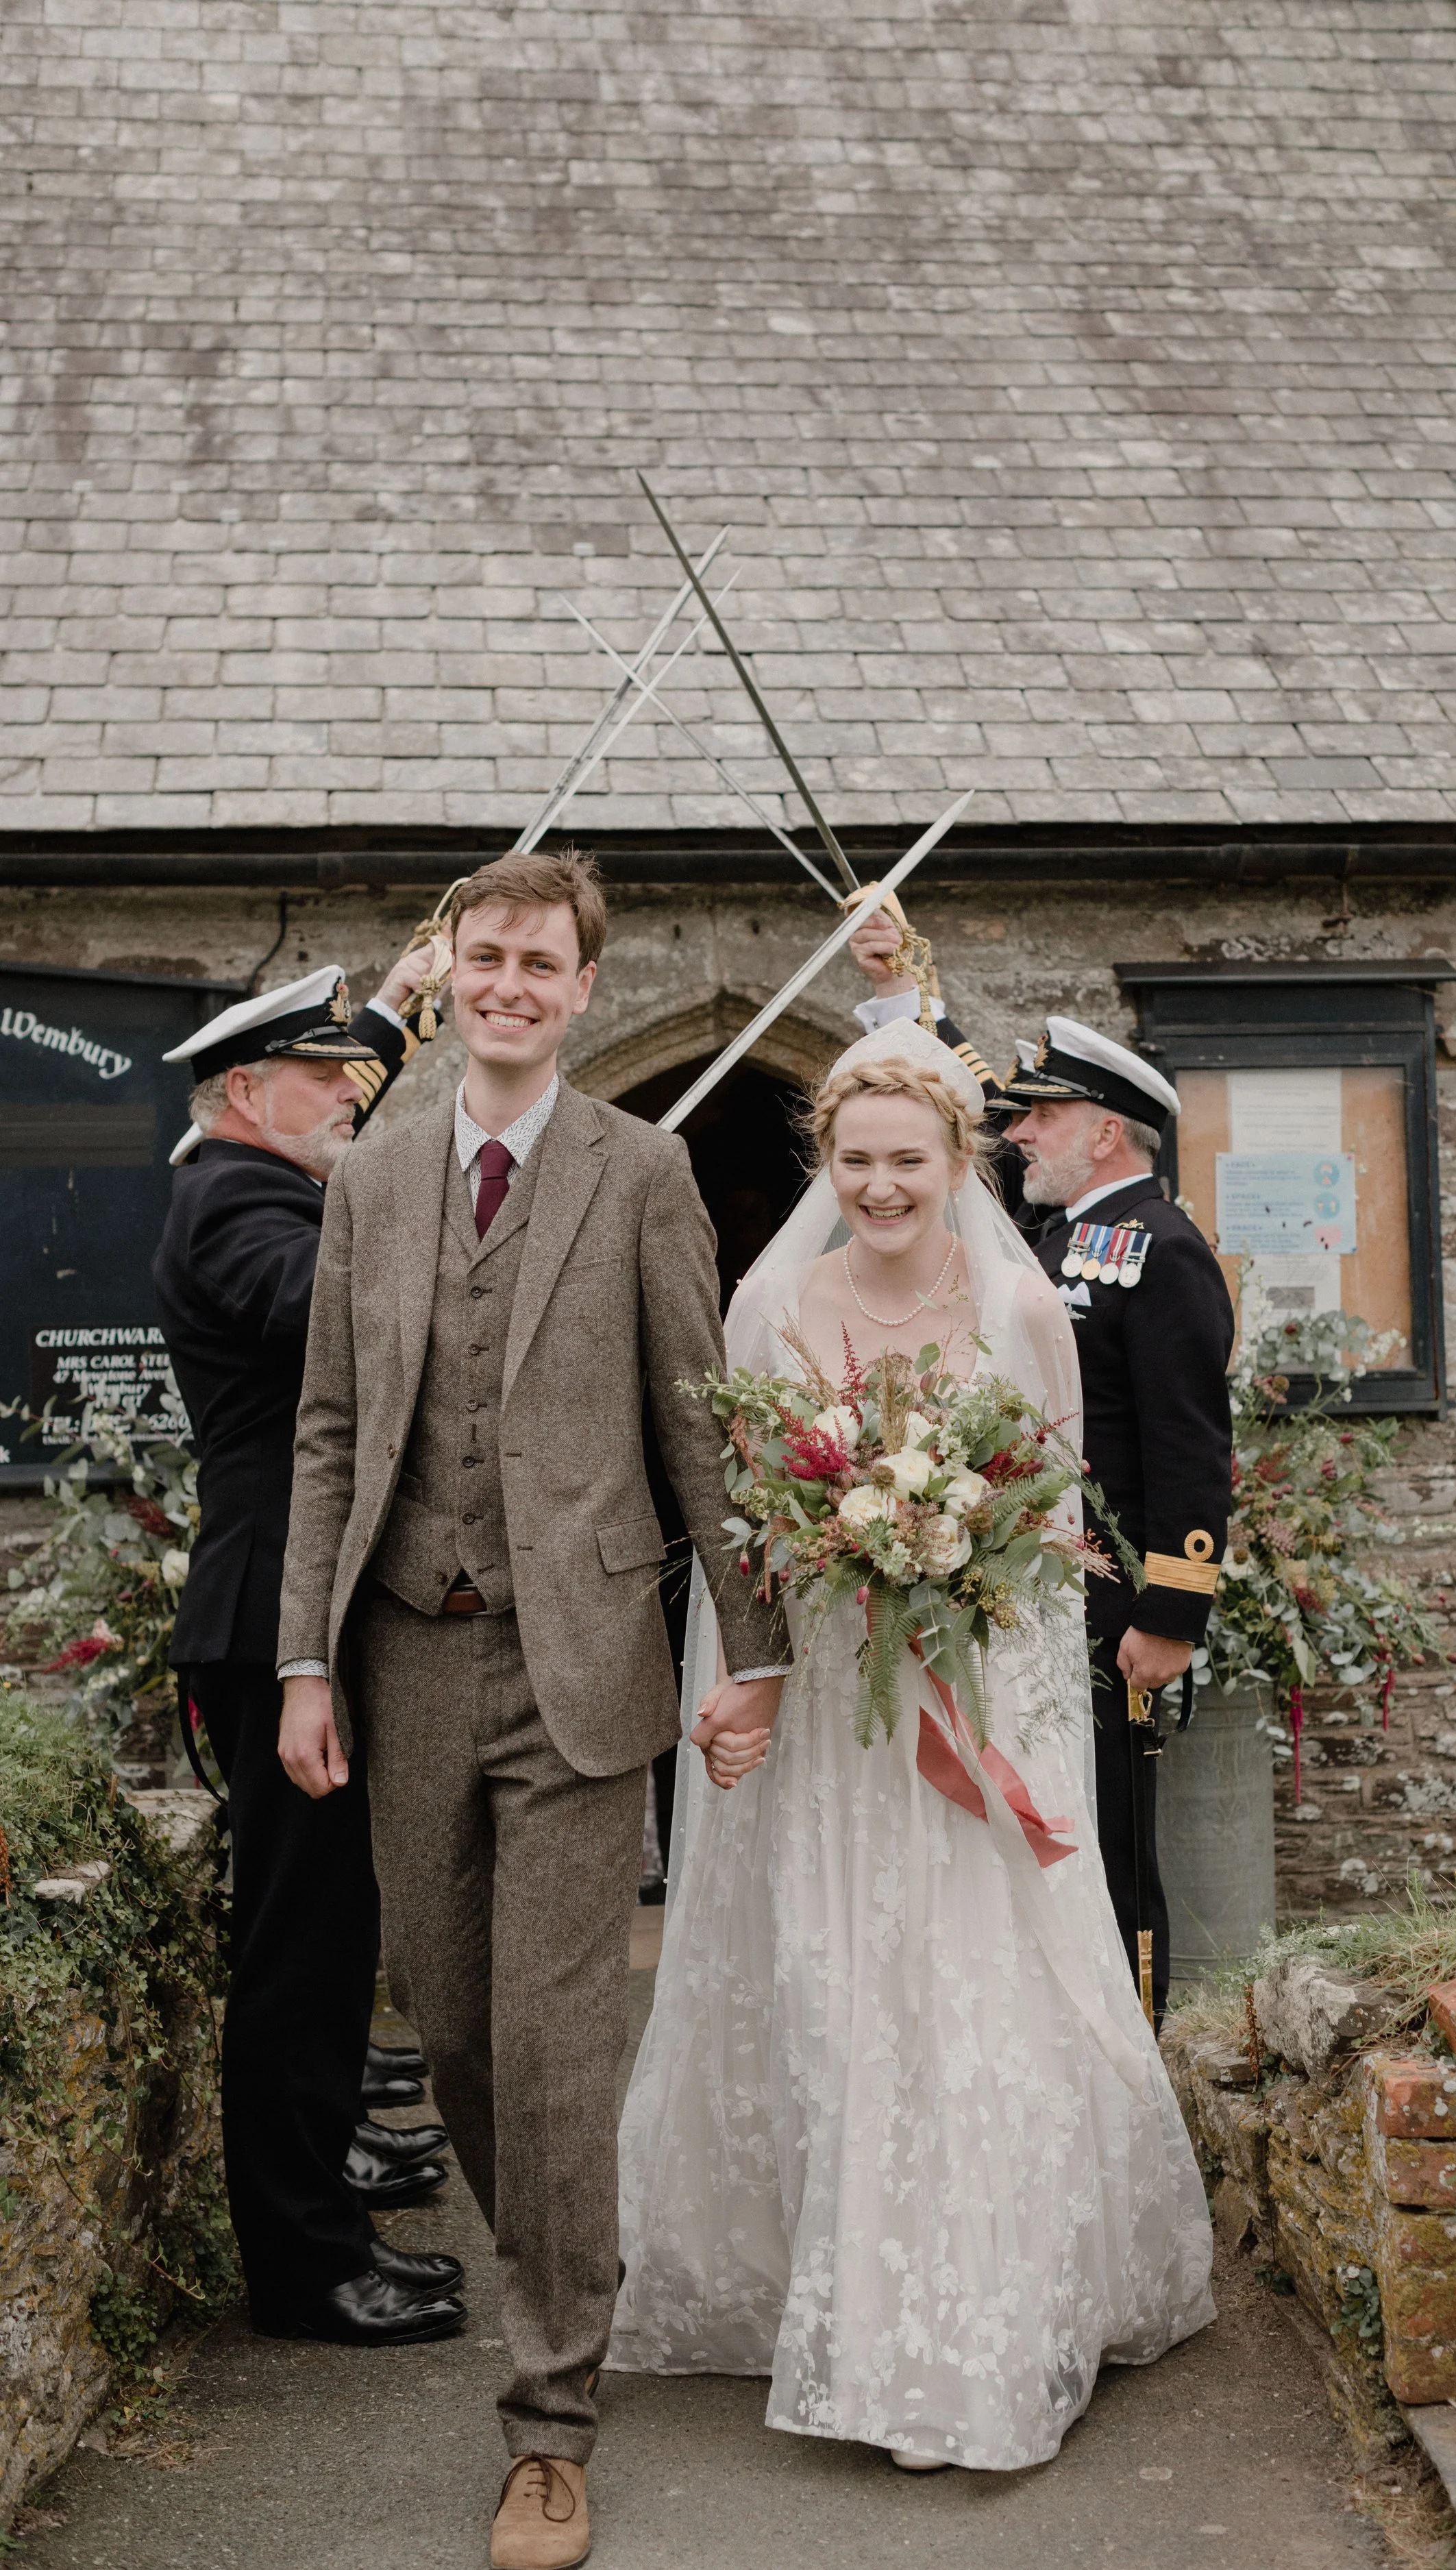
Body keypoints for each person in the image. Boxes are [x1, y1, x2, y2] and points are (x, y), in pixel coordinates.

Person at [273, 848, 789, 2570]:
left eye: (539, 963)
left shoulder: (638, 1172)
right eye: (485, 955)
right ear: (453, 973)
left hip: (582, 1675)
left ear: (583, 990)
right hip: (405, 1660)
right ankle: (574, 2264)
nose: (508, 982)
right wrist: (300, 1661)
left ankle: (550, 2423)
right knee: (460, 2033)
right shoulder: (372, 1176)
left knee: (559, 2052)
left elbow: (699, 1425)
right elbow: (331, 1432)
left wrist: (756, 1648)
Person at [610, 1020, 1216, 2473]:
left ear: (957, 1164)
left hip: (984, 1688)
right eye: (855, 1160)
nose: (880, 1186)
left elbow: (1061, 1509)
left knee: (976, 1966)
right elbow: (746, 1516)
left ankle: (986, 2315)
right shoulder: (774, 1305)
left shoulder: (1018, 1303)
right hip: (833, 1697)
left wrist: (953, 1562)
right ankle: (845, 2296)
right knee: (835, 1969)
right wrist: (799, 1623)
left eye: (906, 1160)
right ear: (827, 1163)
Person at [154, 954, 469, 2349]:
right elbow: (340, 1315)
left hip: (311, 1611)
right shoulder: (237, 1201)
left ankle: (324, 2192)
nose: (350, 1093)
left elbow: (339, 1169)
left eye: (358, 1069)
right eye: (323, 1076)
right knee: (299, 1952)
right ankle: (302, 2265)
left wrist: (399, 1017)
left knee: (334, 1939)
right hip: (277, 1615)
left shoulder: (272, 1175)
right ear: (241, 1089)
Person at [999, 1019, 1234, 2018]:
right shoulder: (1060, 1237)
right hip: (1035, 1603)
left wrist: (1170, 1614)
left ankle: (1141, 2052)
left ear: (1105, 1132)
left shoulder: (1164, 1250)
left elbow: (1190, 1446)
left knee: (1113, 1849)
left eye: (1042, 1116)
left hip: (1113, 1616)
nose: (1019, 1136)